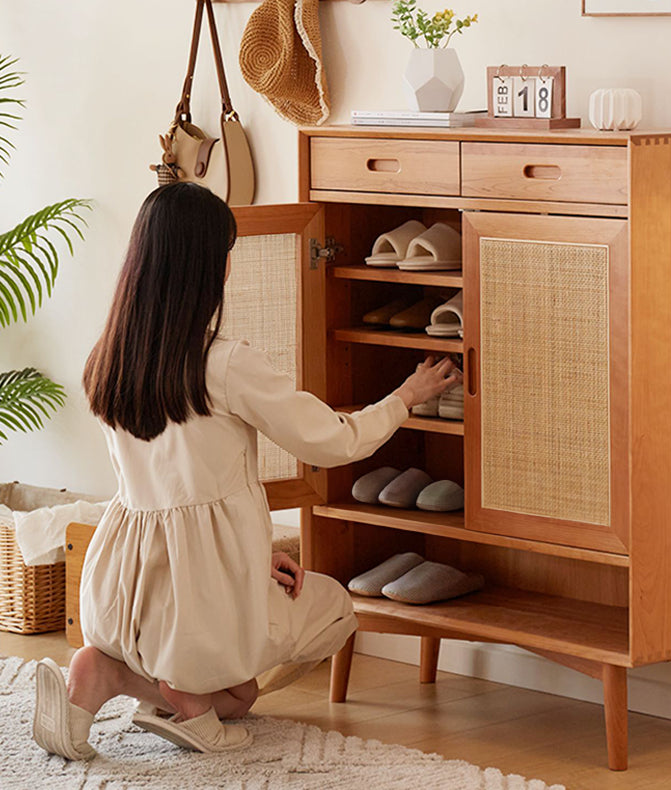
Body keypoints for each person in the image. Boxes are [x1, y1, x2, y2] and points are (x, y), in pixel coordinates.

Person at [32, 182, 461, 759]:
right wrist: (405, 396)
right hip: (202, 588)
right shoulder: (226, 363)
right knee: (330, 612)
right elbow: (330, 438)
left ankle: (106, 675)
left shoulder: (107, 356)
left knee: (234, 688)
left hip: (123, 585)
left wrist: (254, 557)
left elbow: (174, 489)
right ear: (209, 267)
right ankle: (182, 697)